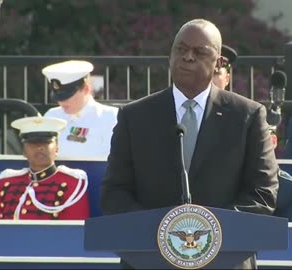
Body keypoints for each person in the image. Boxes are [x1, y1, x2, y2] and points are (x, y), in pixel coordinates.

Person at [100, 19, 279, 269]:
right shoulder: (134, 116)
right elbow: (114, 192)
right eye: (180, 50)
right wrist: (162, 232)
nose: (187, 58)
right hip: (150, 259)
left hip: (224, 260)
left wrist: (209, 230)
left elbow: (263, 193)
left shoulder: (247, 116)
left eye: (199, 52)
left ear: (218, 63)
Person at [0, 116, 90, 220]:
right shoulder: (7, 182)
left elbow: (75, 231)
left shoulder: (73, 183)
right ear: (24, 151)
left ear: (57, 148)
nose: (40, 148)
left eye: (46, 143)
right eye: (33, 144)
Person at [42, 60, 118, 159]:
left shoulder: (110, 117)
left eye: (67, 96)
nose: (61, 102)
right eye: (59, 97)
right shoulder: (51, 116)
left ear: (86, 89)